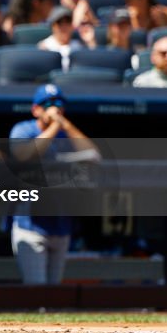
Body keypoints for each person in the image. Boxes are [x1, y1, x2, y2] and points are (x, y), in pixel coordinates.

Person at [9, 84, 99, 285]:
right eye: (48, 104)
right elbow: (24, 155)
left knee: (54, 295)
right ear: (36, 109)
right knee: (37, 293)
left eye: (58, 104)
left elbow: (93, 154)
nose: (54, 108)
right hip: (30, 225)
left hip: (61, 225)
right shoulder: (23, 129)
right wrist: (54, 126)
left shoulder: (66, 132)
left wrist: (64, 125)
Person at [37, 6, 84, 71]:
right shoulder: (44, 46)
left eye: (68, 21)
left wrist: (90, 42)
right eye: (60, 23)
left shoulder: (79, 45)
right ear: (53, 26)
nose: (64, 26)